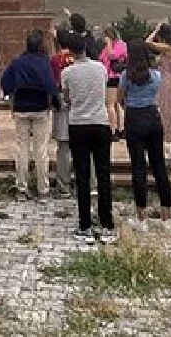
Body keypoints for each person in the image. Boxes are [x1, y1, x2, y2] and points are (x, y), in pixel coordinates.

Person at [62, 32, 115, 244]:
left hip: (78, 124)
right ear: (85, 48)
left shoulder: (67, 72)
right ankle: (107, 222)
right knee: (103, 174)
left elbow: (67, 98)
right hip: (100, 122)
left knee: (82, 176)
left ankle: (85, 224)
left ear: (70, 51)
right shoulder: (100, 68)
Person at [118, 40, 171, 228]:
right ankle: (166, 216)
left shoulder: (126, 75)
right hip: (152, 116)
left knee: (138, 167)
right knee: (159, 166)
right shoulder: (155, 75)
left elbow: (119, 99)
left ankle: (141, 217)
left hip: (134, 117)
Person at [0, 29, 58, 201]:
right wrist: (54, 102)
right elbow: (51, 85)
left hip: (21, 108)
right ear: (41, 45)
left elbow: (5, 81)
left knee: (21, 148)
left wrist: (11, 96)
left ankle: (21, 187)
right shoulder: (44, 63)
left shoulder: (18, 62)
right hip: (40, 108)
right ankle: (43, 189)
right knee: (41, 150)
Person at [49, 25, 76, 198]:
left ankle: (63, 184)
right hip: (77, 101)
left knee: (64, 146)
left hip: (61, 100)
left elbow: (53, 82)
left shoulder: (55, 59)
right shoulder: (76, 57)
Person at [144, 22, 171, 143]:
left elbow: (148, 42)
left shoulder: (168, 47)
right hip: (164, 79)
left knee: (167, 109)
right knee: (163, 107)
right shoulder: (168, 48)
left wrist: (155, 30)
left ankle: (168, 136)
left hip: (167, 80)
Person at [98, 27, 129, 140]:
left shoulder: (119, 45)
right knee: (116, 104)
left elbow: (112, 56)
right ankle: (120, 128)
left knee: (111, 104)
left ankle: (114, 129)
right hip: (112, 76)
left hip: (114, 76)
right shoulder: (113, 46)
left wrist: (109, 44)